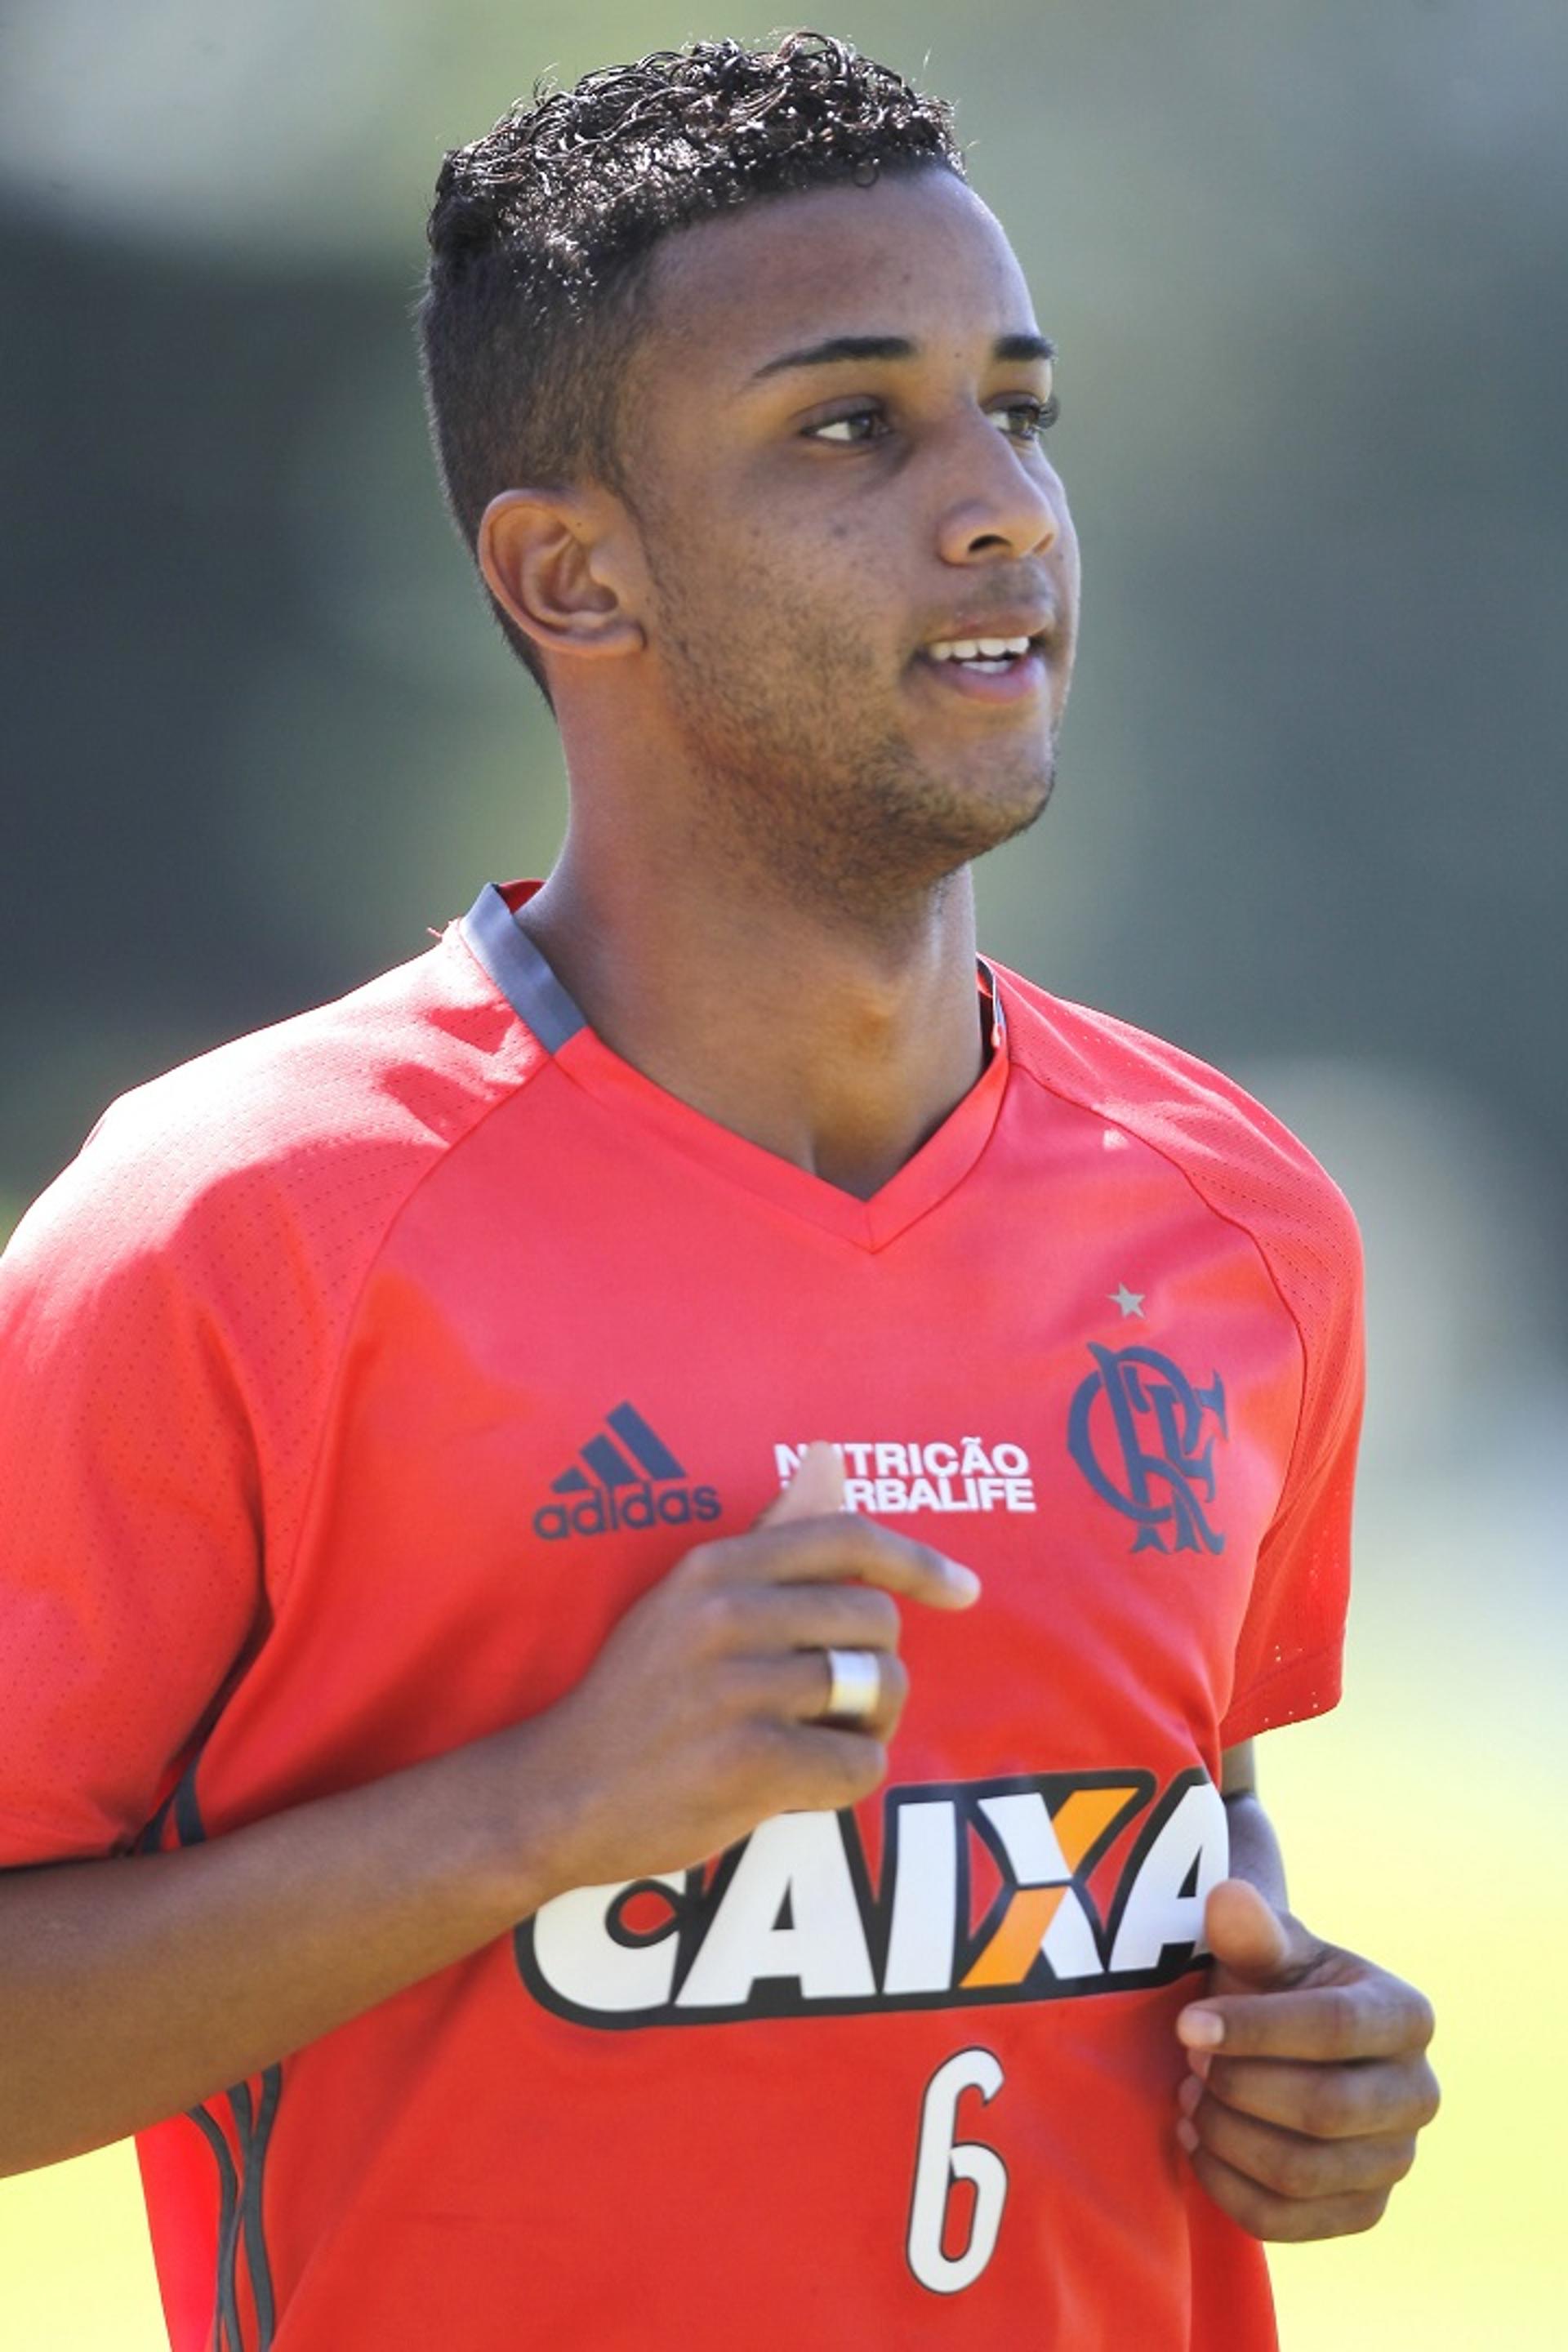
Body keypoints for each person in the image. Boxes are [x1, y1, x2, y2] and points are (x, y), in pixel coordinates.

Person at [0, 32, 1439, 2351]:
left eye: (1022, 409)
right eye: (851, 426)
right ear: (573, 572)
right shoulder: (230, 1229)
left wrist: (1301, 2068)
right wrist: (538, 1816)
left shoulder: (1242, 1219)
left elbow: (1172, 1846)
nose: (1001, 509)